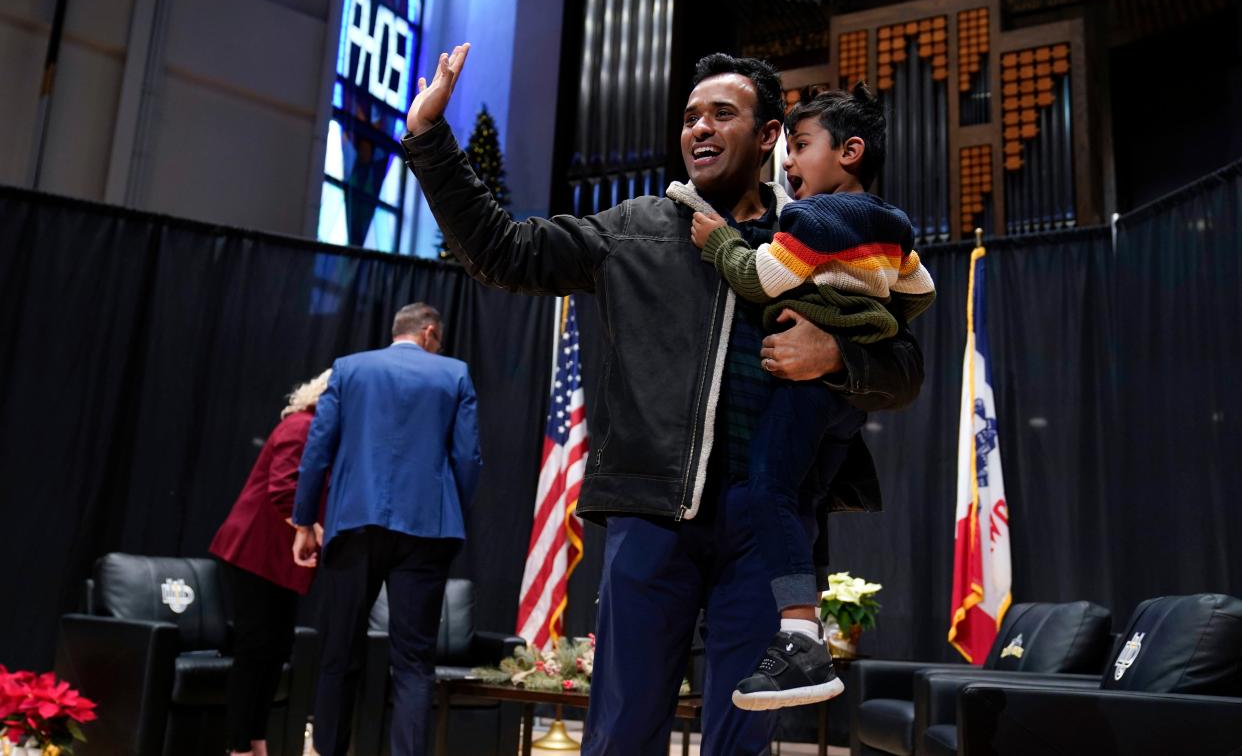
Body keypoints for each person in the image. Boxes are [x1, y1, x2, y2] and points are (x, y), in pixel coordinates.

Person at [401, 43, 923, 754]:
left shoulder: (821, 231)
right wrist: (431, 139)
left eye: (722, 113)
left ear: (770, 135)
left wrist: (838, 354)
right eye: (689, 118)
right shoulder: (634, 228)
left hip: (768, 526)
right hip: (654, 516)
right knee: (622, 733)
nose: (699, 129)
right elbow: (501, 251)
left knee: (741, 740)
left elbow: (904, 368)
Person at [688, 84, 935, 710]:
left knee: (766, 489)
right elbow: (921, 293)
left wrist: (720, 242)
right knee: (800, 500)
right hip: (846, 405)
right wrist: (867, 315)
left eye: (800, 147)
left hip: (807, 393)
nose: (787, 164)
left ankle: (800, 636)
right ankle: (803, 632)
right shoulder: (893, 222)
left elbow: (759, 278)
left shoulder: (812, 218)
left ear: (849, 151)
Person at [290, 303, 482, 756]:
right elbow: (468, 459)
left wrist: (303, 520)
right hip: (427, 530)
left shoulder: (349, 369)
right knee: (414, 662)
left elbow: (318, 449)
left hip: (354, 523)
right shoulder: (453, 375)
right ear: (430, 332)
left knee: (338, 653)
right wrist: (454, 508)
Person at [209, 370, 331, 756]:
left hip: (280, 560)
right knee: (256, 650)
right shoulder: (301, 427)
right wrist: (313, 528)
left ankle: (255, 740)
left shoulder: (323, 435)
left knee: (276, 649)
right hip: (255, 552)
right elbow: (283, 490)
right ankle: (238, 747)